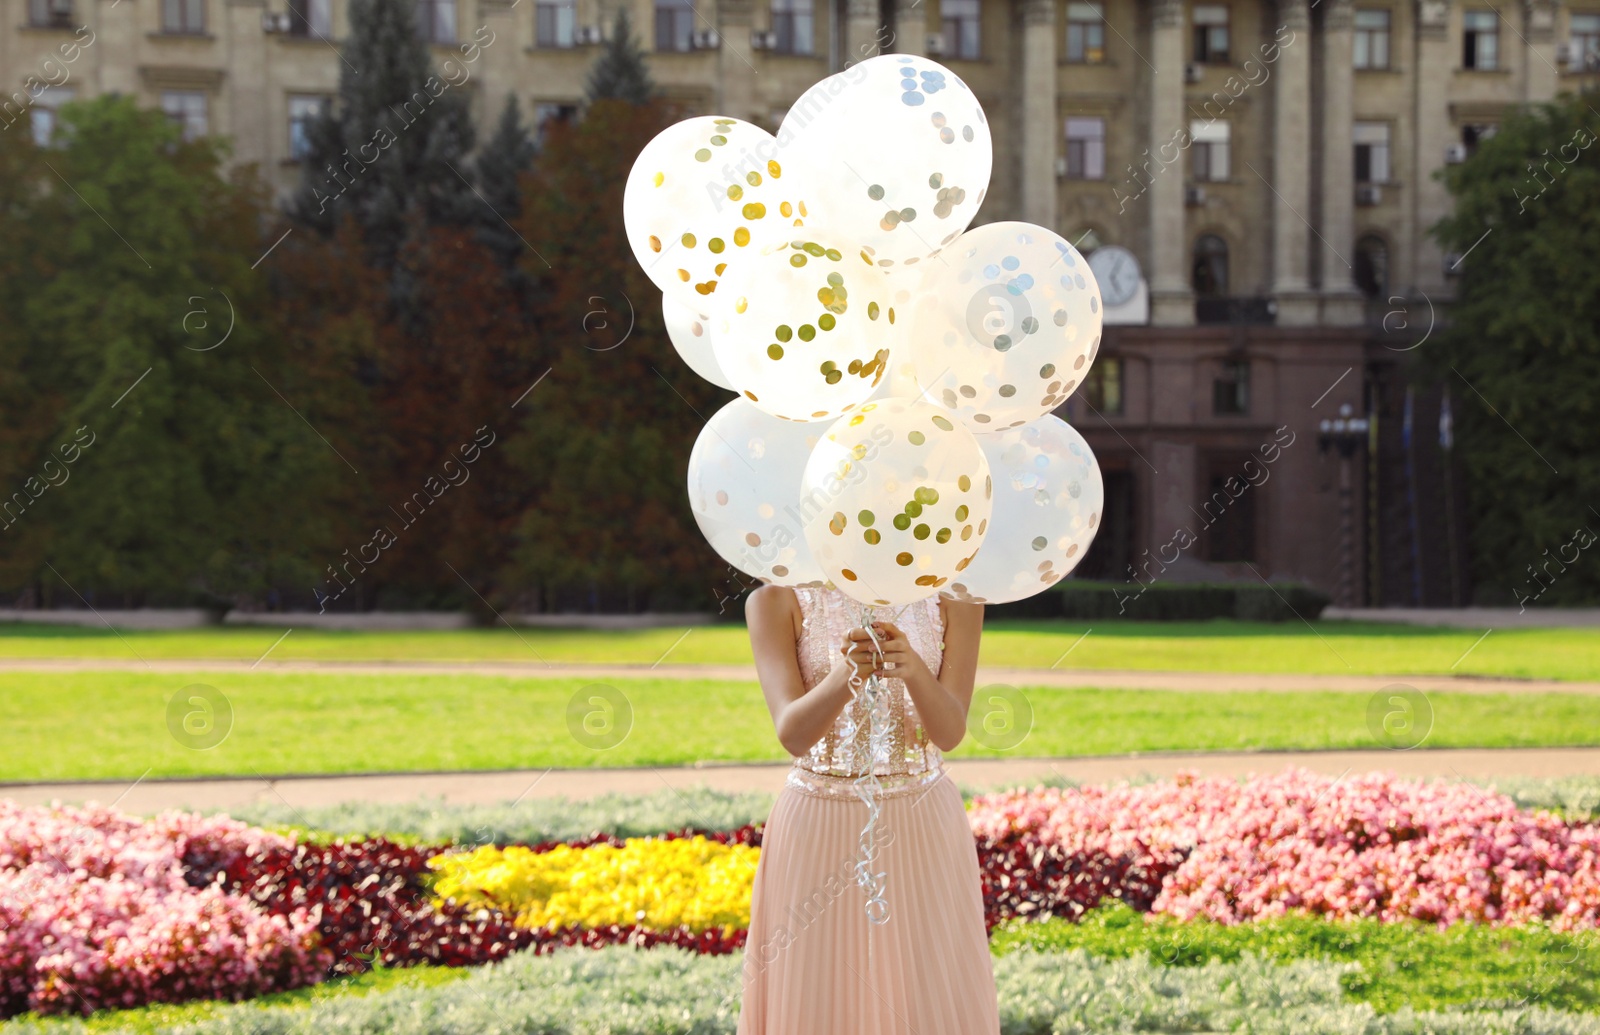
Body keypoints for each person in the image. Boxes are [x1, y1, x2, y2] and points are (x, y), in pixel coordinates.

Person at [736, 583, 1000, 1034]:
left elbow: (950, 732)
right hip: (817, 824)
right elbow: (793, 734)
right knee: (816, 988)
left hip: (923, 820)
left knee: (927, 985)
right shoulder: (775, 600)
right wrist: (847, 675)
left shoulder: (957, 599)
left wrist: (913, 668)